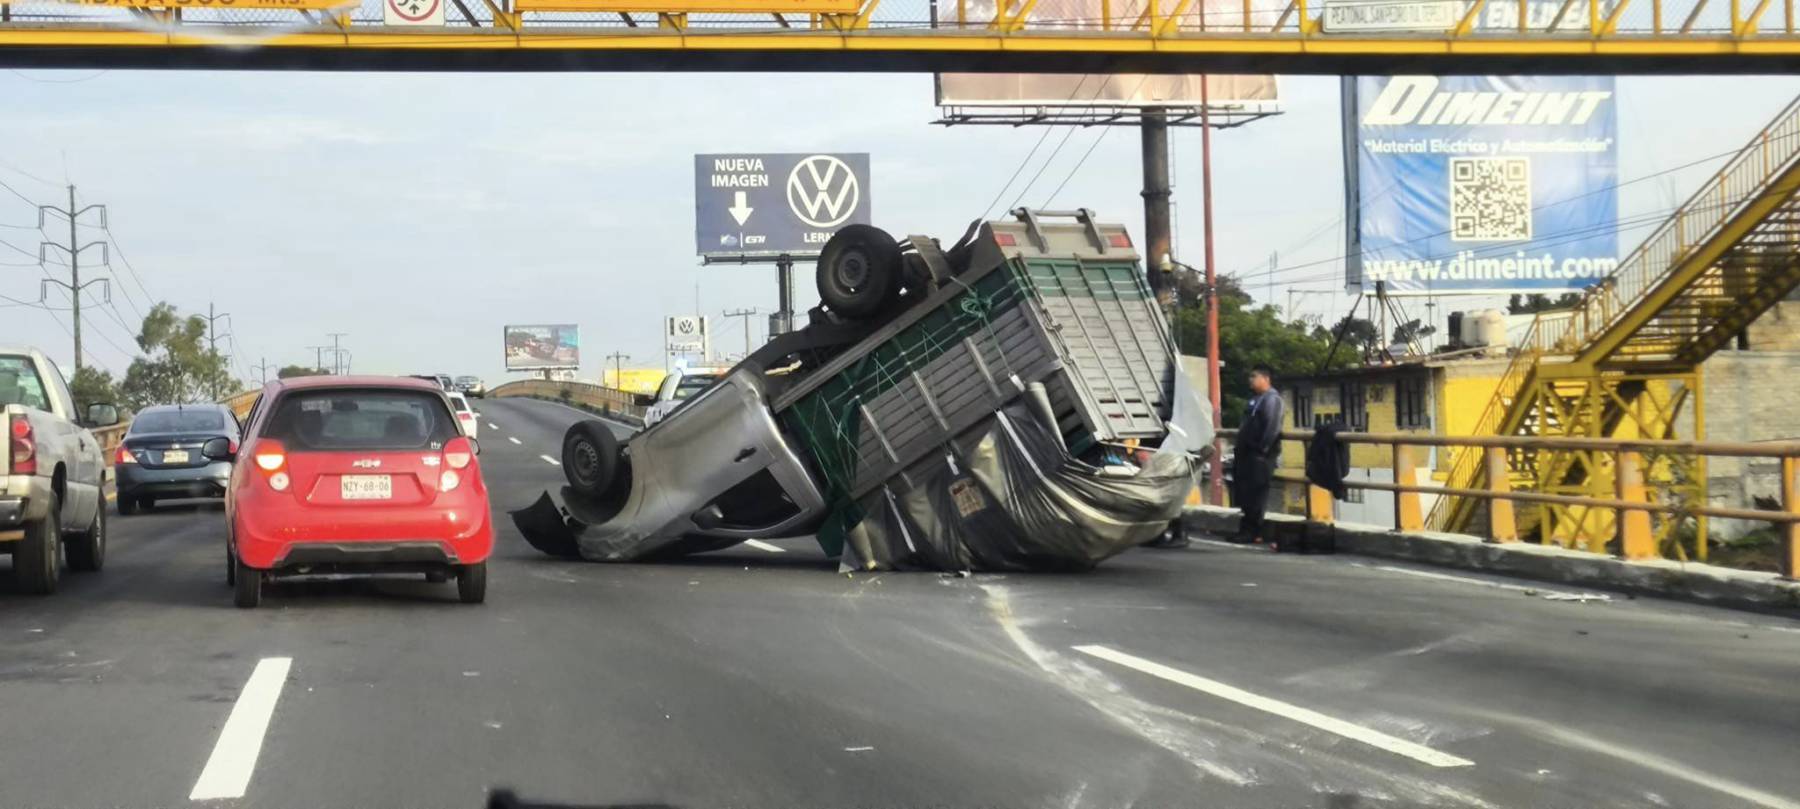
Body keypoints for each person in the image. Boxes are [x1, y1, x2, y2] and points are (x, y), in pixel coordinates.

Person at [1231, 365, 1285, 544]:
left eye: (1254, 377)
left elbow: (1272, 427)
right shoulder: (1255, 399)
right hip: (1246, 454)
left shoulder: (1272, 399)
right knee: (1245, 492)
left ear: (1265, 379)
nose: (1250, 380)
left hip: (1260, 455)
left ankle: (1253, 531)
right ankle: (1245, 529)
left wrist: (1263, 449)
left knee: (1256, 493)